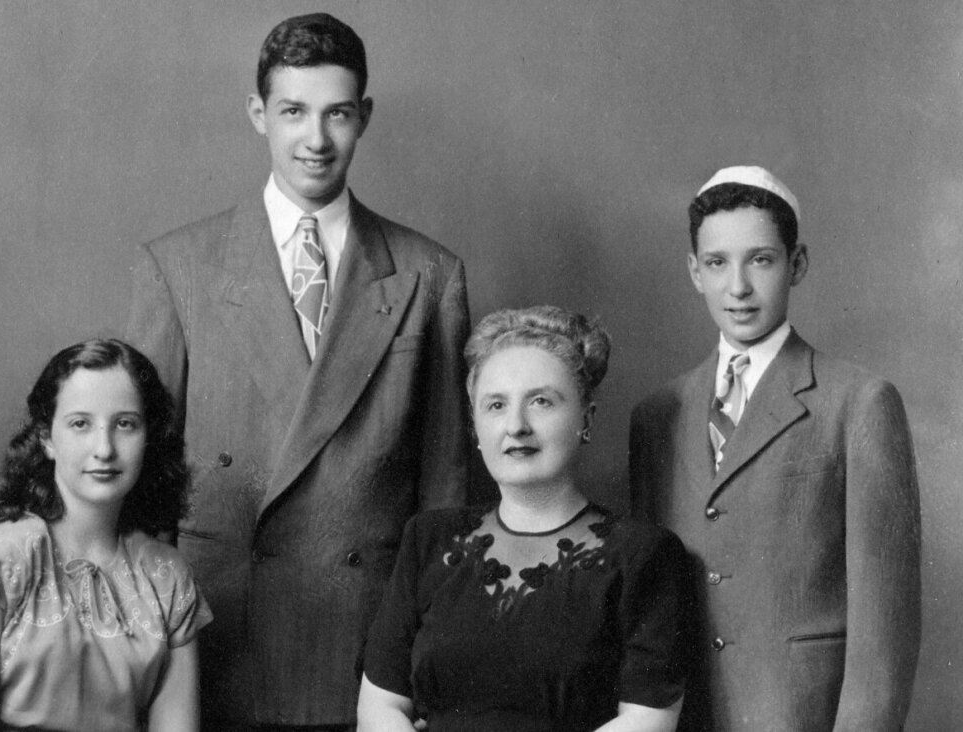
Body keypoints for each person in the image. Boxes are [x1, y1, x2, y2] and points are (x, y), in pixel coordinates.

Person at [124, 12, 471, 730]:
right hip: (218, 636)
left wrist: (424, 657)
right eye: (293, 112)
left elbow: (445, 494)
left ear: (364, 117)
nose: (316, 140)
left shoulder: (429, 275)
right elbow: (141, 481)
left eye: (337, 114)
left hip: (366, 648)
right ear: (258, 114)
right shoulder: (178, 268)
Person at [628, 166, 921, 731]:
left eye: (760, 259)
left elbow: (886, 633)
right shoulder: (657, 415)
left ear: (797, 264)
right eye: (717, 263)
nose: (737, 287)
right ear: (694, 271)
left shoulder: (858, 402)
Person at [359, 306, 691, 731]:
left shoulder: (644, 554)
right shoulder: (429, 539)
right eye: (495, 405)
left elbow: (648, 720)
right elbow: (380, 707)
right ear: (476, 428)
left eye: (541, 402)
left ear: (586, 419)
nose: (516, 425)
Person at [0, 338, 211, 731]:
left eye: (125, 424)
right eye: (81, 424)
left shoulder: (167, 577)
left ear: (148, 436)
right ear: (46, 438)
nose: (104, 448)